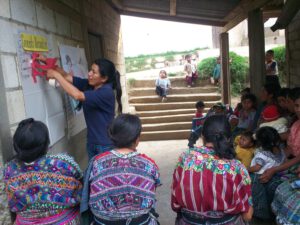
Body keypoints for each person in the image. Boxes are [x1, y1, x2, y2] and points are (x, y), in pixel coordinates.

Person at [172, 115, 253, 225]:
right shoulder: (237, 167)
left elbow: (175, 203)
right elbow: (247, 216)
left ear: (202, 136)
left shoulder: (185, 158)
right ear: (229, 138)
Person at [81, 114, 161, 225]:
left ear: (112, 136)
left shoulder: (96, 163)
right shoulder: (149, 165)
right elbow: (153, 191)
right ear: (137, 139)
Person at [3, 118, 82, 225]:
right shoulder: (63, 162)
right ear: (46, 144)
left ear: (17, 146)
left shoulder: (9, 169)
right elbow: (80, 180)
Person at [46, 58, 122, 159]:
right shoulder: (91, 85)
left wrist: (56, 75)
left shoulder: (106, 92)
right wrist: (46, 61)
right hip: (92, 142)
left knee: (102, 174)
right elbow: (67, 76)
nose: (89, 73)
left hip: (105, 145)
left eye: (94, 72)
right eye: (90, 70)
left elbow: (77, 95)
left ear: (104, 78)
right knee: (93, 173)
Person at [248, 126, 285, 220]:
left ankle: (260, 215)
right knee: (268, 197)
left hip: (258, 177)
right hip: (273, 176)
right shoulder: (281, 152)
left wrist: (245, 168)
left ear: (260, 142)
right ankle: (271, 213)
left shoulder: (262, 155)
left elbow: (256, 168)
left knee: (258, 196)